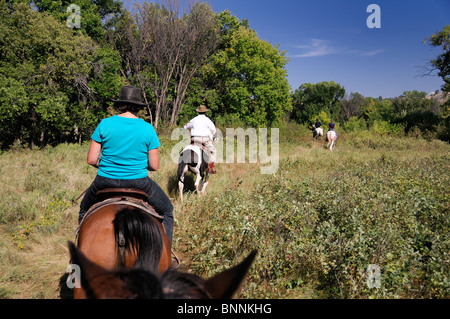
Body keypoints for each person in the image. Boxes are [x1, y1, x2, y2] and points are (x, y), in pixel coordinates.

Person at [78, 85, 174, 248]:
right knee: (167, 210)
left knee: (83, 209)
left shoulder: (105, 124)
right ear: (138, 107)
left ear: (119, 104)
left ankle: (78, 255)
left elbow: (92, 160)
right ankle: (167, 253)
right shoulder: (147, 128)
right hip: (138, 182)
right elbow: (154, 166)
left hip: (104, 181)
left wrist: (109, 164)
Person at [183, 105, 218, 174]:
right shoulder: (207, 120)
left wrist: (185, 126)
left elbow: (186, 127)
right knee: (212, 151)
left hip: (194, 139)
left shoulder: (193, 119)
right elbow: (213, 130)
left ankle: (183, 162)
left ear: (198, 112)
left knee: (186, 149)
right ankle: (210, 167)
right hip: (204, 140)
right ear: (205, 112)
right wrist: (215, 137)